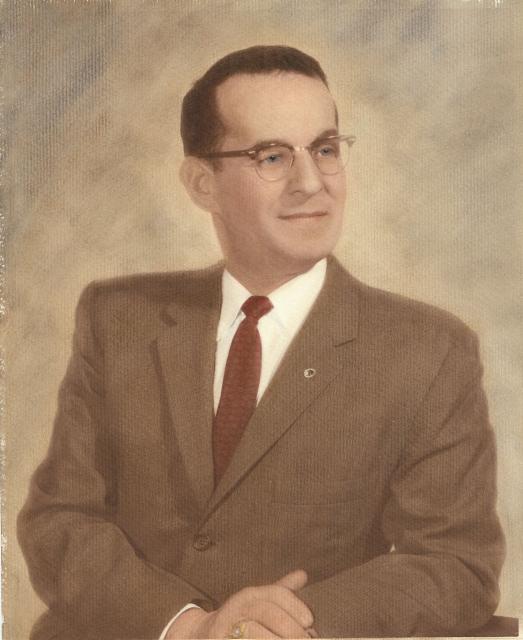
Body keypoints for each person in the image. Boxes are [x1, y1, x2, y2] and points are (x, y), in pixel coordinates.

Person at [18, 45, 505, 640]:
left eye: (325, 150)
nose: (311, 183)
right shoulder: (118, 316)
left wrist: (280, 626)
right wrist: (187, 625)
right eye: (271, 156)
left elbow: (456, 565)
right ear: (203, 183)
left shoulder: (429, 350)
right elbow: (60, 520)